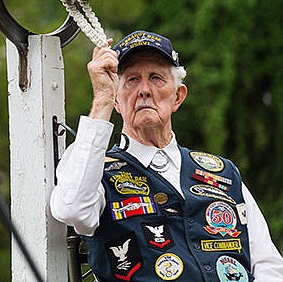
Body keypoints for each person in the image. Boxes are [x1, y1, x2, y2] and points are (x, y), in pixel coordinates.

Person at [49, 30, 283, 281]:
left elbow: (269, 265)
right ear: (118, 100)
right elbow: (71, 209)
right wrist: (102, 99)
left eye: (156, 78)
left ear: (178, 96)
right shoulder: (97, 173)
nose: (144, 90)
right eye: (131, 80)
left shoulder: (223, 173)